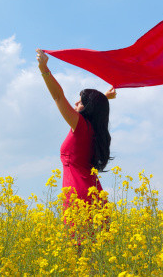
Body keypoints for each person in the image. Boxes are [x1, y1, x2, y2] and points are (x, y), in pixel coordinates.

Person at [36, 48, 115, 211]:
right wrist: (104, 97)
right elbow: (96, 109)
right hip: (94, 193)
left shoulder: (80, 126)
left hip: (77, 195)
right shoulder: (95, 131)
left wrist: (43, 68)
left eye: (79, 102)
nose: (75, 104)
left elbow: (58, 96)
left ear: (88, 107)